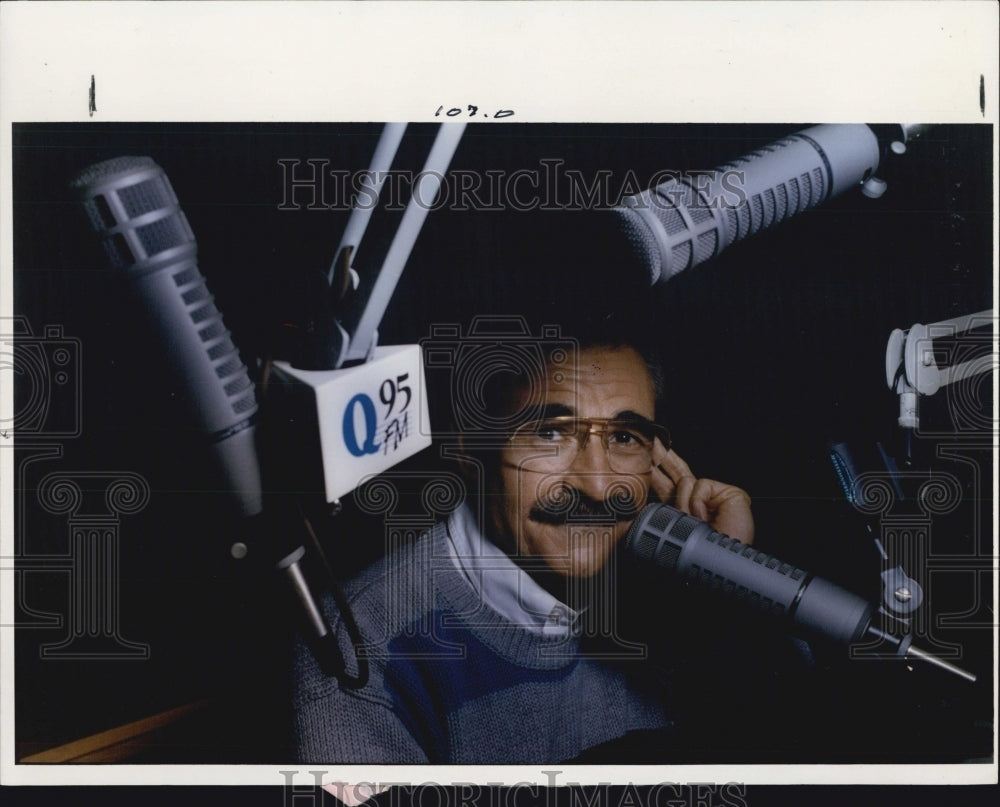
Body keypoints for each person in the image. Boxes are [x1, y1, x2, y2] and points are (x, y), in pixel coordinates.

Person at [290, 321, 779, 764]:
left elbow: (800, 736)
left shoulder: (664, 580)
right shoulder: (359, 646)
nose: (598, 486)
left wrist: (724, 574)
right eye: (550, 433)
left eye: (625, 438)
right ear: (467, 447)